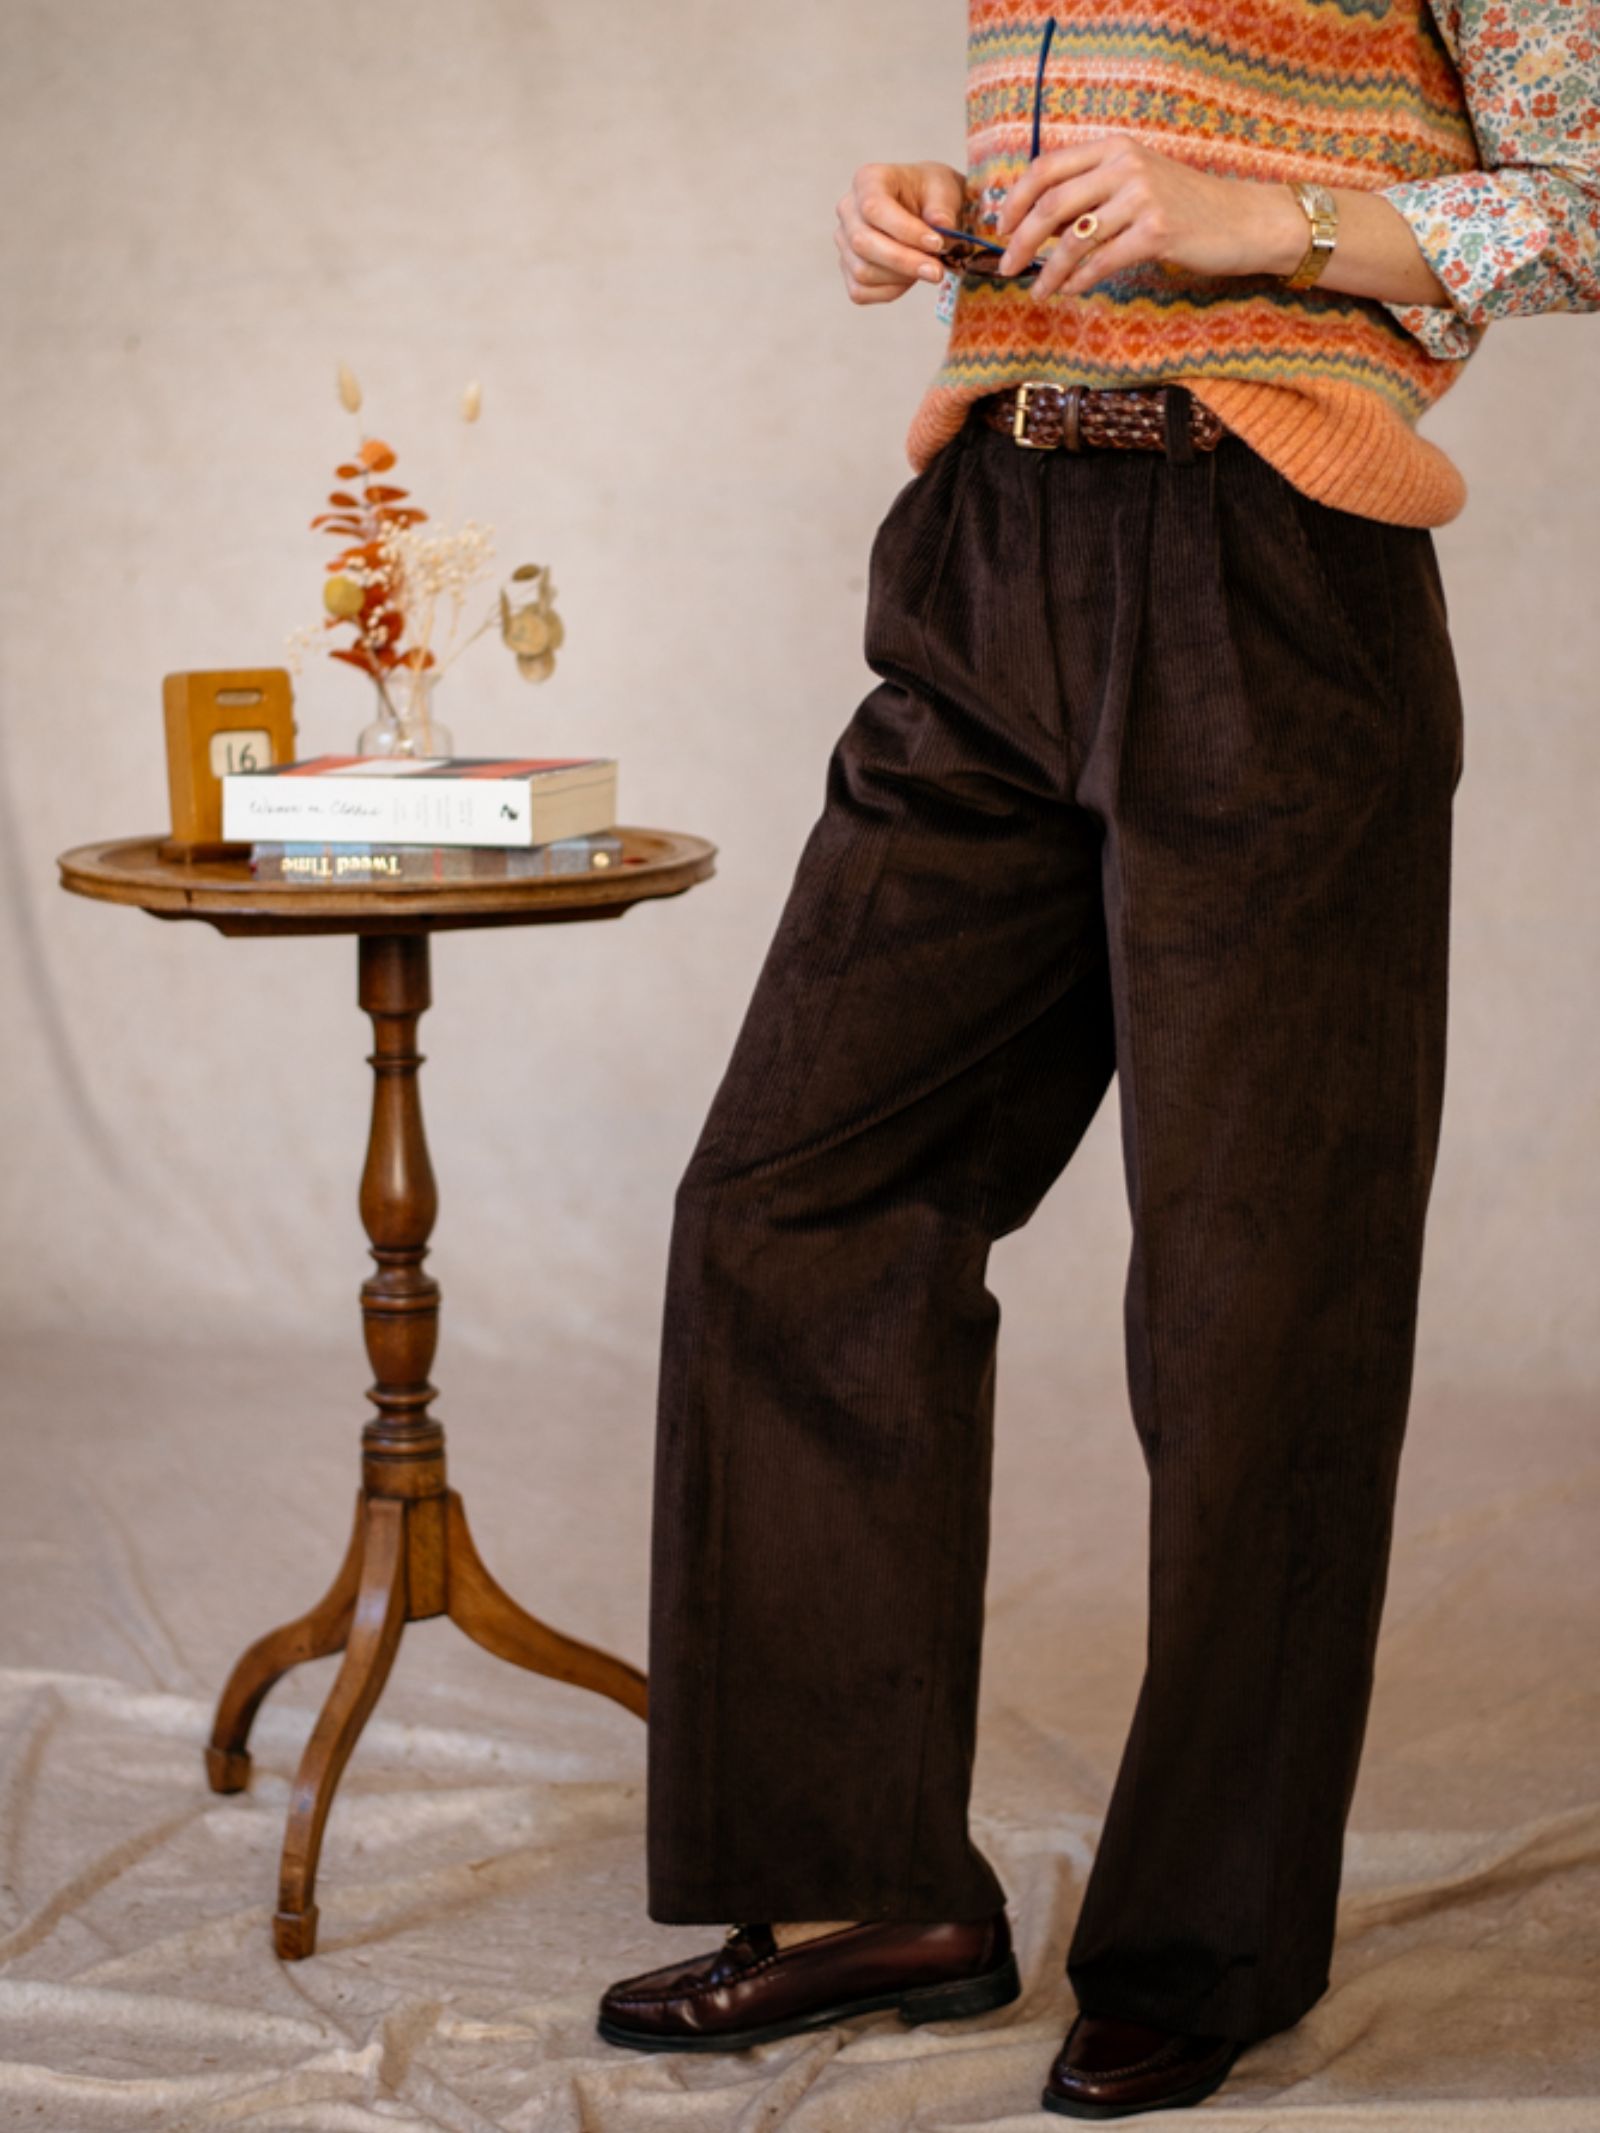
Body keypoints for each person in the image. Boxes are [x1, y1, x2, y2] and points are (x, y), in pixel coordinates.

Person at [597, 0, 1600, 2117]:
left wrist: (1264, 217)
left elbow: (1585, 203)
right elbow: (1102, 169)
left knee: (1256, 1294)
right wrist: (942, 213)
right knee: (795, 1194)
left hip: (1268, 567)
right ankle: (865, 1878)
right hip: (988, 548)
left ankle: (1203, 1933)